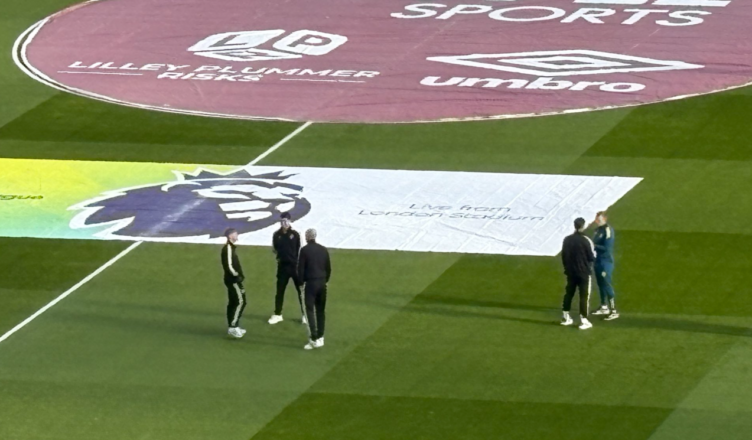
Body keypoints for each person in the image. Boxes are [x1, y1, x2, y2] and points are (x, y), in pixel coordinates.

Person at [268, 213, 306, 325]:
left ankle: (305, 315)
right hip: (282, 267)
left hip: (295, 267)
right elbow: (274, 249)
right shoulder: (276, 235)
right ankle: (278, 314)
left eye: (286, 221)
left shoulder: (295, 234)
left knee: (301, 291)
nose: (284, 223)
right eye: (282, 221)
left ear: (290, 221)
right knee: (280, 290)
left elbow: (300, 249)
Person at [298, 228, 331, 350]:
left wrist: (300, 283)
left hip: (311, 283)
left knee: (310, 310)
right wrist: (325, 280)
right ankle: (321, 336)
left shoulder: (304, 250)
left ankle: (314, 338)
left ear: (307, 237)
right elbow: (328, 268)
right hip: (322, 282)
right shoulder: (323, 249)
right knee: (321, 310)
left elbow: (301, 269)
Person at [561, 217, 595, 330]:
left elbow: (564, 256)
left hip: (570, 272)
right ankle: (584, 320)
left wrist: (567, 268)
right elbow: (591, 257)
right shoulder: (586, 240)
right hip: (583, 273)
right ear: (583, 226)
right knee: (584, 296)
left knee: (569, 294)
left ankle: (566, 316)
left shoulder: (567, 239)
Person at [590, 212, 619, 320]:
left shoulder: (608, 231)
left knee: (606, 284)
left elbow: (607, 248)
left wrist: (593, 245)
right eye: (596, 219)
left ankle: (614, 310)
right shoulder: (597, 230)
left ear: (605, 219)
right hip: (598, 260)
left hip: (605, 262)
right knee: (600, 284)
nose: (597, 221)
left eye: (599, 219)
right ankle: (604, 306)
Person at [221, 228, 247, 339]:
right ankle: (233, 326)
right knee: (241, 301)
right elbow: (229, 265)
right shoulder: (228, 248)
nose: (237, 235)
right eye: (235, 234)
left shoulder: (230, 247)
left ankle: (233, 325)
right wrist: (237, 275)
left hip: (232, 279)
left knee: (233, 302)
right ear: (230, 236)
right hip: (233, 280)